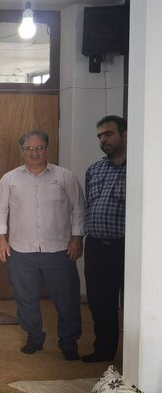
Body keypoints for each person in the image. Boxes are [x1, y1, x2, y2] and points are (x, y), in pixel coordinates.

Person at [0, 130, 85, 360]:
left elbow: (78, 208)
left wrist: (77, 238)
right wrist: (1, 239)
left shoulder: (64, 176)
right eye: (29, 148)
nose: (34, 152)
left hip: (59, 250)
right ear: (22, 151)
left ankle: (69, 342)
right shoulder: (9, 179)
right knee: (25, 299)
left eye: (39, 148)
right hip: (21, 250)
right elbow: (1, 210)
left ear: (47, 149)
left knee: (67, 300)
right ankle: (34, 338)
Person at [82, 115, 127, 363]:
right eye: (100, 136)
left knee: (134, 303)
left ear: (125, 135)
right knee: (99, 301)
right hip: (97, 246)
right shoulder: (94, 170)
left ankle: (136, 355)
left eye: (108, 134)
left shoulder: (141, 168)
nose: (103, 140)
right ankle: (104, 350)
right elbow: (89, 205)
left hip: (127, 248)